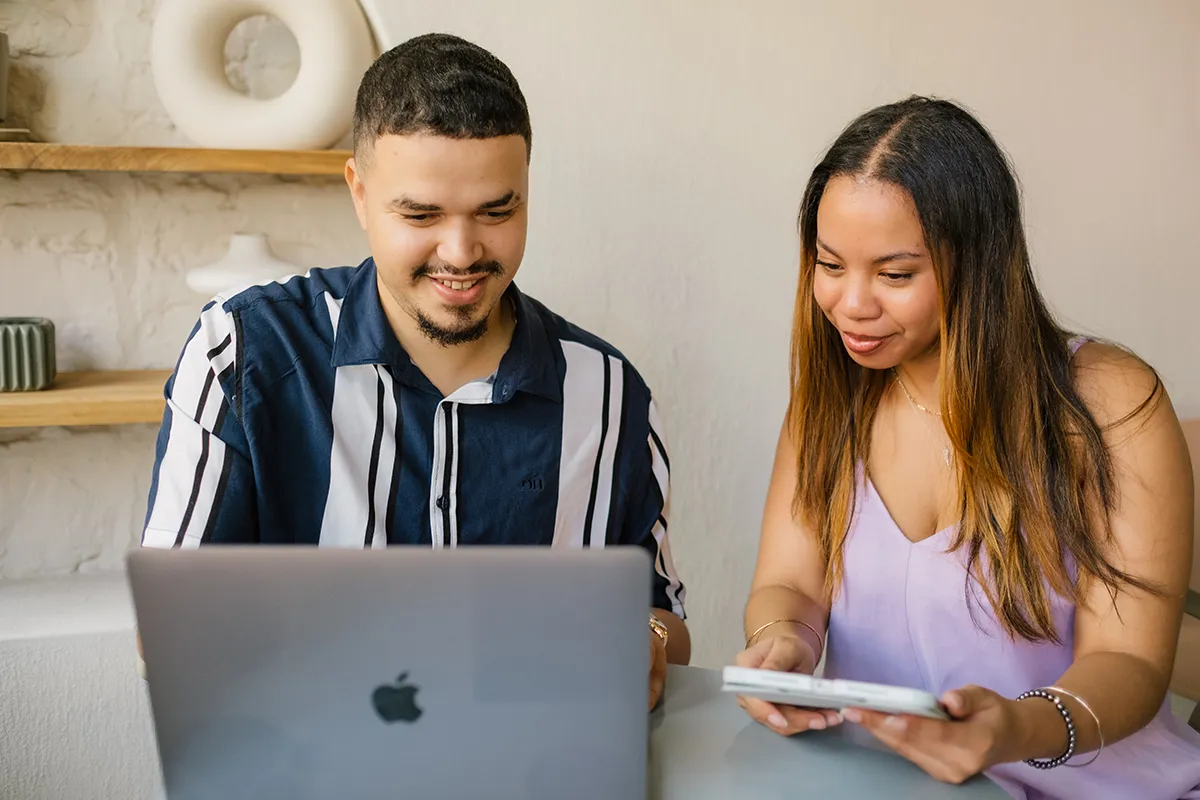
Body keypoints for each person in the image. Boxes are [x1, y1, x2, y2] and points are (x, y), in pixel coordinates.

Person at [139, 33, 689, 708]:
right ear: (359, 193)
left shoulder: (611, 396)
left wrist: (645, 637)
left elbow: (665, 620)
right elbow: (167, 627)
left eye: (497, 210)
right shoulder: (242, 354)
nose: (461, 253)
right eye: (421, 214)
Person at [735, 96, 1200, 798]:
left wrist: (1016, 729)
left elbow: (1130, 661)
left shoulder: (1107, 403)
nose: (851, 303)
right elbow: (791, 586)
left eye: (895, 275)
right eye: (829, 264)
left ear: (978, 262)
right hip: (891, 786)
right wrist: (784, 642)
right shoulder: (831, 401)